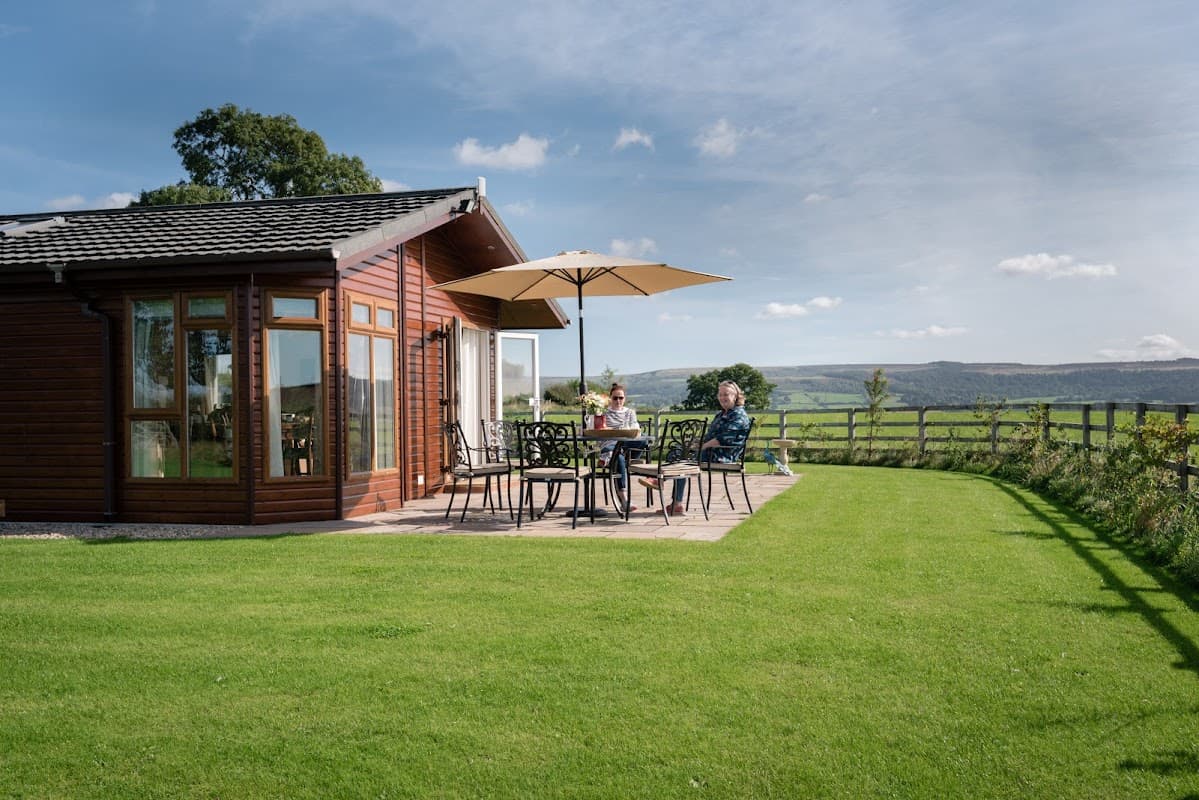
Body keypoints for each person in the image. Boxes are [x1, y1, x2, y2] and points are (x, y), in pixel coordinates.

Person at [641, 379, 752, 515]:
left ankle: (662, 482)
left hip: (723, 455)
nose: (722, 397)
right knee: (678, 451)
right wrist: (694, 444)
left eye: (726, 394)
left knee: (683, 457)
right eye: (720, 394)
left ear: (735, 396)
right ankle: (675, 501)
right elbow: (710, 437)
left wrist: (701, 447)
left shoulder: (738, 415)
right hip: (711, 451)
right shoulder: (722, 413)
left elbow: (723, 439)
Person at [597, 383, 641, 512]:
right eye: (615, 398)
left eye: (620, 398)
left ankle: (609, 457)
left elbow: (634, 427)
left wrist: (623, 430)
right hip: (610, 443)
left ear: (624, 398)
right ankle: (624, 500)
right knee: (618, 456)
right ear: (610, 398)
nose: (618, 401)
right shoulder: (604, 413)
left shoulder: (630, 412)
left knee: (642, 441)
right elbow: (600, 430)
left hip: (626, 444)